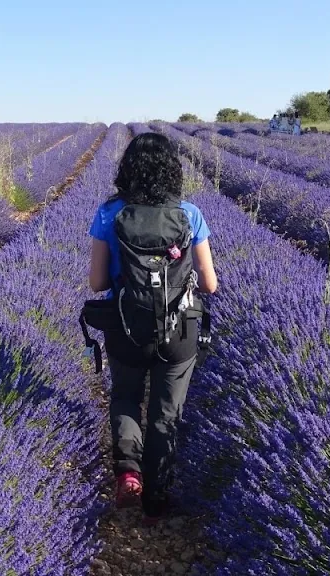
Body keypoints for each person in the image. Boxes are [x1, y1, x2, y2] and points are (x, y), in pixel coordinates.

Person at [86, 132, 218, 525]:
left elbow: (96, 283)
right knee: (166, 412)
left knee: (126, 397)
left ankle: (128, 471)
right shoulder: (190, 214)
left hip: (126, 326)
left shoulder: (109, 213)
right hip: (179, 333)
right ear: (171, 169)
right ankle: (157, 500)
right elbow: (210, 285)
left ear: (128, 169)